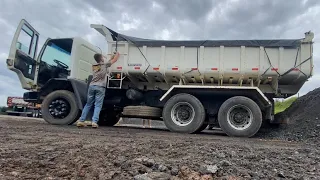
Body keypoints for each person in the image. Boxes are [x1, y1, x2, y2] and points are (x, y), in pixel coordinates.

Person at [76, 52, 120, 128]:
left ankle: (81, 120)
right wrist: (117, 54)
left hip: (92, 86)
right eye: (102, 57)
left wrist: (110, 58)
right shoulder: (104, 65)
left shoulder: (94, 66)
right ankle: (94, 122)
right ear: (101, 58)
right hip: (100, 87)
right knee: (98, 105)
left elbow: (105, 64)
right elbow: (114, 60)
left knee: (88, 104)